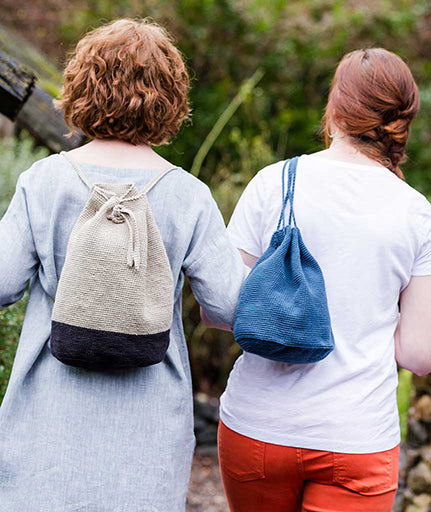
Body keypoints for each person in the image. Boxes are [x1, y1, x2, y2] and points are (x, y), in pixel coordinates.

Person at [0, 18, 247, 511]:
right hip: (146, 438)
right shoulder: (188, 196)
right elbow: (227, 307)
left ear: (81, 88)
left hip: (47, 430)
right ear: (170, 99)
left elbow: (3, 283)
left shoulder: (43, 181)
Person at [209, 48, 431, 512]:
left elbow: (223, 310)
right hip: (357, 437)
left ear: (334, 108)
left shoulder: (274, 182)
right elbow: (417, 354)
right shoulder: (417, 213)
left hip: (256, 428)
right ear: (403, 120)